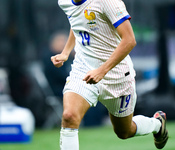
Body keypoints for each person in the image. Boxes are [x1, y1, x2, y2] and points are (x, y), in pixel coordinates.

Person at [51, 0, 169, 150]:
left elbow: (130, 40)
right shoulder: (64, 1)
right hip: (83, 69)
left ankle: (157, 124)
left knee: (124, 131)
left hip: (117, 75)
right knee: (69, 117)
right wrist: (66, 52)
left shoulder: (108, 1)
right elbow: (76, 20)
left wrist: (102, 70)